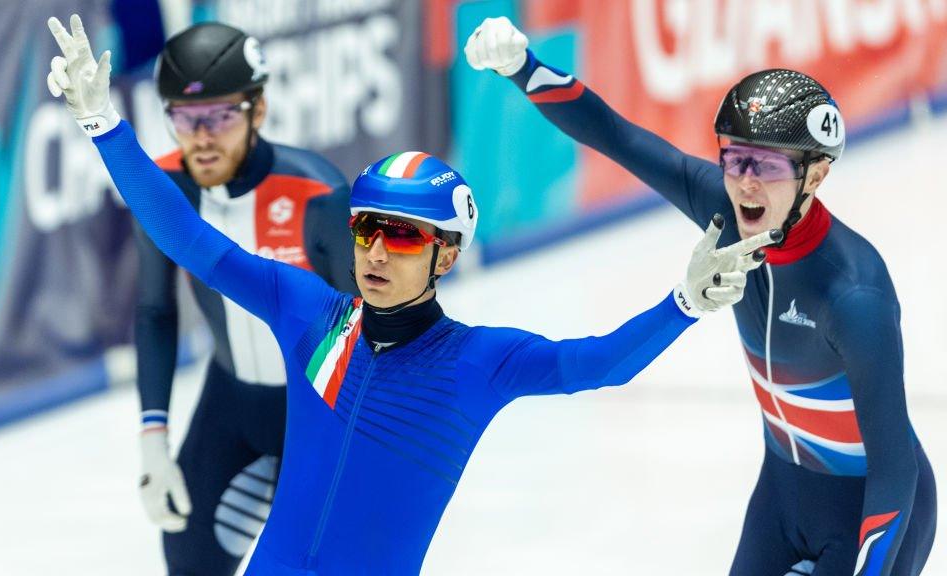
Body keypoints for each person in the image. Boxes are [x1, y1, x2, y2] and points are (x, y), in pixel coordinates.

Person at [47, 14, 779, 574]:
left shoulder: (480, 361)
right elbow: (188, 240)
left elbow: (598, 364)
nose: (374, 251)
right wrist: (104, 126)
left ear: (447, 255)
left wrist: (684, 305)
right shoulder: (308, 313)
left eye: (402, 237)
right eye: (367, 231)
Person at [464, 16, 937, 576]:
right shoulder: (725, 212)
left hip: (871, 510)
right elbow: (618, 137)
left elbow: (893, 468)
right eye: (735, 159)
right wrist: (523, 68)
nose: (745, 182)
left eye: (767, 164)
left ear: (815, 176)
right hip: (781, 498)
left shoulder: (855, 294)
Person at [134, 22, 356, 575]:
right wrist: (153, 439)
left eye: (221, 116)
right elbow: (155, 311)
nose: (202, 137)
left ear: (258, 111)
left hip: (318, 414)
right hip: (230, 405)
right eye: (184, 119)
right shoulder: (165, 190)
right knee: (189, 561)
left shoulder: (318, 193)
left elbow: (369, 330)